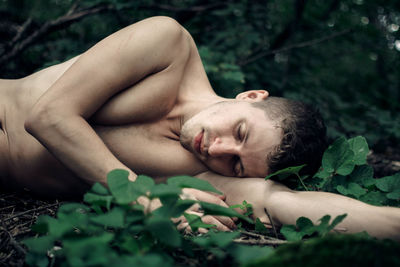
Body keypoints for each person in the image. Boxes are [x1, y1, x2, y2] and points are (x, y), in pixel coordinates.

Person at [0, 16, 399, 239]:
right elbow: (48, 116)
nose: (219, 150)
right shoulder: (167, 46)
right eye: (241, 132)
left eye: (237, 165)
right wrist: (142, 197)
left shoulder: (202, 172)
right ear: (251, 96)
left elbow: (280, 202)